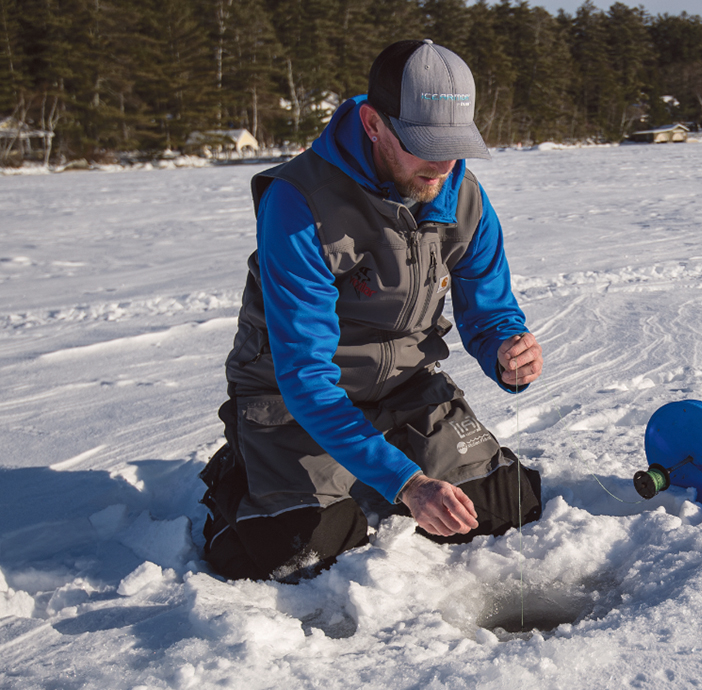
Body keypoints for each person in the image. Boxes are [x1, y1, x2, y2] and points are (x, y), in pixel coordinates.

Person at [198, 39, 544, 582]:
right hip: (292, 400)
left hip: (405, 387)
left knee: (505, 505)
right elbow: (306, 375)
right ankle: (242, 478)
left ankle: (367, 462)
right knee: (305, 553)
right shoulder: (298, 203)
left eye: (454, 145)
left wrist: (507, 347)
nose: (442, 163)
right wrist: (407, 484)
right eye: (424, 143)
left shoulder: (464, 197)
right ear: (373, 123)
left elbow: (490, 308)